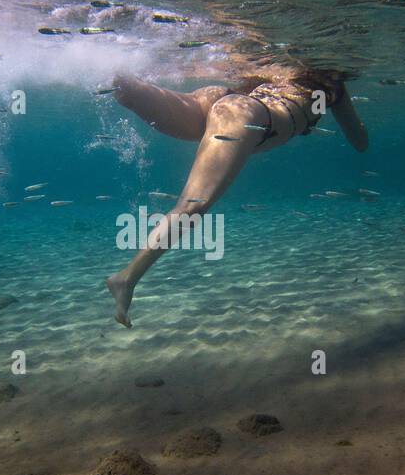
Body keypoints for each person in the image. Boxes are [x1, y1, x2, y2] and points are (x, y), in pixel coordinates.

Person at [104, 68, 369, 327]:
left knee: (130, 89)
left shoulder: (274, 64)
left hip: (221, 100)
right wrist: (334, 104)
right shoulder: (332, 79)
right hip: (243, 114)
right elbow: (360, 142)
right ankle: (126, 279)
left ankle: (113, 66)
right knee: (191, 205)